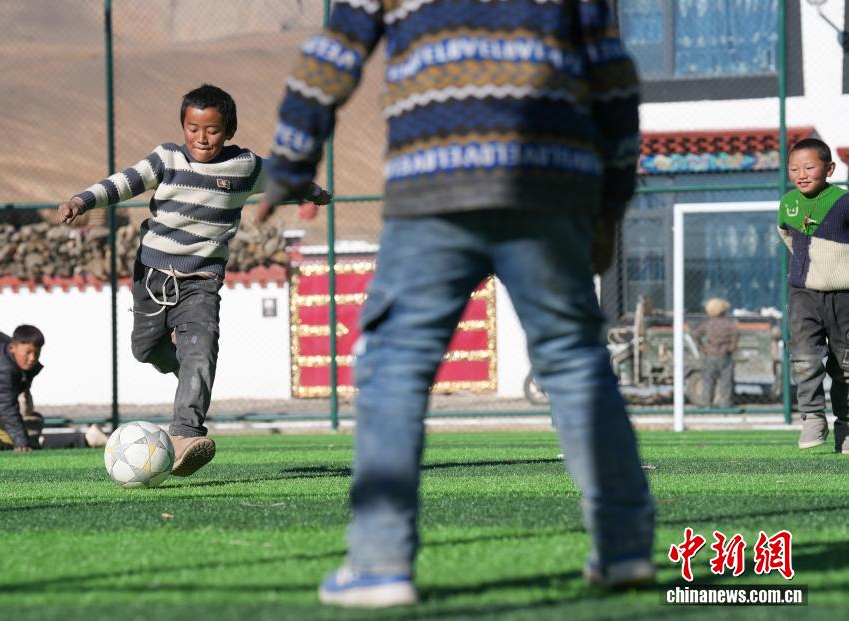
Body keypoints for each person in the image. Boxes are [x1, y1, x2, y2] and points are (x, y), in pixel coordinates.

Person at [257, 1, 654, 608]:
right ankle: (625, 547)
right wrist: (613, 199)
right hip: (551, 180)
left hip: (434, 181)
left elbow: (331, 57)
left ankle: (380, 563)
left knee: (396, 363)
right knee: (575, 361)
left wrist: (290, 162)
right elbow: (614, 77)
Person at [57, 84, 331, 476]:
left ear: (229, 131)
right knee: (144, 349)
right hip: (152, 276)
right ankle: (185, 370)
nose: (202, 138)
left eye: (213, 130)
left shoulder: (244, 167)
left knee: (201, 350)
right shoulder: (166, 159)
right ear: (183, 126)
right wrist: (81, 201)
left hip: (202, 280)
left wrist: (314, 192)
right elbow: (124, 182)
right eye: (193, 128)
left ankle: (186, 433)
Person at [778, 138, 849, 451]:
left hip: (844, 296)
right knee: (805, 356)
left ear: (829, 169)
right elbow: (786, 234)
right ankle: (812, 417)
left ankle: (846, 425)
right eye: (794, 169)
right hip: (803, 294)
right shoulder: (788, 204)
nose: (801, 175)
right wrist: (808, 268)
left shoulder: (843, 201)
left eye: (809, 167)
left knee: (845, 363)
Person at [692, 298, 739, 408]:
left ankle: (706, 404)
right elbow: (736, 333)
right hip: (724, 354)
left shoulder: (708, 324)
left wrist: (702, 347)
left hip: (710, 354)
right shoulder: (728, 324)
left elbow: (695, 334)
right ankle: (725, 404)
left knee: (708, 381)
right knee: (726, 382)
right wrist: (732, 346)